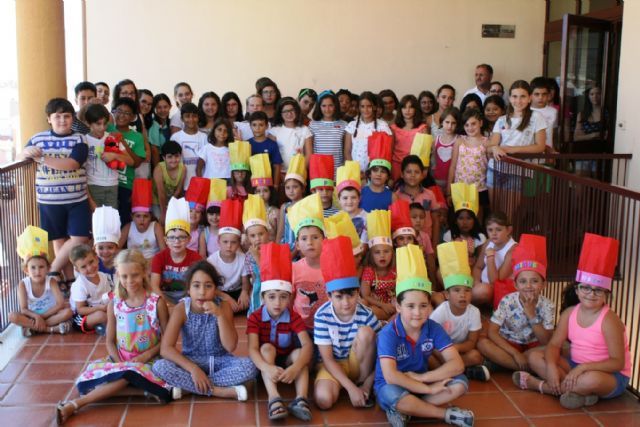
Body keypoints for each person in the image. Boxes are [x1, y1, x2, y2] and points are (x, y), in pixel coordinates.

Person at [513, 233, 632, 409]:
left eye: (598, 290)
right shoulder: (570, 313)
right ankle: (580, 393)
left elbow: (617, 363)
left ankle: (540, 386)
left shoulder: (609, 320)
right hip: (575, 365)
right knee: (534, 357)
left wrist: (583, 369)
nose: (591, 294)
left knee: (590, 380)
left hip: (609, 375)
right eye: (586, 288)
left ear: (606, 294)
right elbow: (554, 345)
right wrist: (552, 367)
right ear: (577, 290)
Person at [56, 249, 171, 424]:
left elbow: (167, 340)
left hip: (149, 361)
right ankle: (143, 390)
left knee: (128, 374)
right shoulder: (114, 304)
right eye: (124, 276)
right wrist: (119, 362)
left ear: (144, 272)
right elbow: (110, 341)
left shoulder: (156, 303)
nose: (129, 281)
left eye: (135, 275)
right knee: (89, 382)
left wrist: (146, 355)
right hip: (120, 359)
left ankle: (76, 404)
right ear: (118, 275)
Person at [375, 244, 473, 427]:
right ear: (398, 306)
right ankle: (444, 414)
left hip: (421, 380)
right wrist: (428, 389)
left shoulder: (433, 327)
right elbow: (391, 376)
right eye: (410, 306)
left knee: (460, 383)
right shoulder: (388, 333)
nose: (417, 313)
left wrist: (423, 379)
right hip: (393, 386)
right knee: (390, 394)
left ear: (430, 306)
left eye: (423, 306)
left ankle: (410, 409)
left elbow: (457, 364)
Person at [152, 260, 257, 400]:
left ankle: (189, 388)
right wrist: (194, 369)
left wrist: (219, 315)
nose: (202, 292)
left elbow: (230, 346)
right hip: (191, 361)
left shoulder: (224, 306)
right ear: (188, 289)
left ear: (215, 290)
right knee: (160, 366)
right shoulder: (181, 309)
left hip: (220, 361)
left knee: (251, 366)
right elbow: (166, 349)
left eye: (208, 286)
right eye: (196, 286)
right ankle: (220, 391)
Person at [18, 98, 90, 281]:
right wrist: (26, 153)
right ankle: (69, 280)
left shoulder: (79, 139)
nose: (62, 120)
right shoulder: (37, 139)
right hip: (49, 201)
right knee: (59, 239)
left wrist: (42, 159)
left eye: (67, 116)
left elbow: (72, 164)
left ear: (72, 118)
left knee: (81, 237)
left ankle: (53, 270)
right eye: (57, 116)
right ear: (49, 119)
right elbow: (22, 155)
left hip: (77, 199)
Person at [247, 243, 313, 421]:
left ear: (290, 298)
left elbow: (307, 344)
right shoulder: (255, 317)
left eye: (283, 297)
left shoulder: (293, 316)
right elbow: (253, 348)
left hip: (286, 360)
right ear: (263, 298)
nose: (277, 303)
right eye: (271, 297)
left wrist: (296, 367)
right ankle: (274, 398)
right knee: (266, 347)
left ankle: (301, 399)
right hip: (265, 363)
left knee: (300, 353)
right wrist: (266, 367)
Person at [314, 236, 381, 410]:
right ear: (329, 296)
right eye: (339, 297)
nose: (346, 303)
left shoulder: (366, 314)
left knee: (367, 332)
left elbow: (382, 354)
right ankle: (349, 387)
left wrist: (367, 384)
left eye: (351, 295)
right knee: (323, 399)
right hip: (332, 366)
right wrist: (350, 388)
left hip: (358, 366)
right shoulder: (322, 316)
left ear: (358, 292)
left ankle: (363, 385)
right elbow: (327, 359)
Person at [478, 234, 554, 371]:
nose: (528, 286)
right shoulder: (507, 301)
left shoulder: (548, 305)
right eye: (523, 281)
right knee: (482, 343)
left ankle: (506, 365)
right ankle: (528, 367)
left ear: (544, 285)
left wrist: (532, 315)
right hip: (509, 344)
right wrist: (515, 353)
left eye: (535, 281)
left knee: (554, 348)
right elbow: (492, 332)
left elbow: (546, 341)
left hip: (534, 347)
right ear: (515, 285)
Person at [432, 242, 489, 381]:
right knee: (428, 355)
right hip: (440, 350)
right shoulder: (441, 311)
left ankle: (447, 371)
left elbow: (471, 342)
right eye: (457, 290)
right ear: (447, 294)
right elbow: (429, 337)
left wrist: (455, 348)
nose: (462, 295)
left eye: (467, 291)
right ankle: (460, 370)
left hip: (459, 350)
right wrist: (446, 350)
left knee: (476, 356)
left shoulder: (474, 312)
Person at [10, 226, 73, 336]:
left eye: (41, 267)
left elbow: (60, 304)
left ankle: (34, 328)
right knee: (12, 316)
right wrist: (36, 316)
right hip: (32, 315)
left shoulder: (51, 281)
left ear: (48, 268)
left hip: (50, 314)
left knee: (68, 312)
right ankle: (51, 329)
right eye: (33, 268)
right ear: (26, 270)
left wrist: (41, 317)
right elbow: (24, 309)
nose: (37, 271)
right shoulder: (23, 284)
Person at [488, 80, 547, 189]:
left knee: (512, 201)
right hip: (495, 168)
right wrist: (494, 148)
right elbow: (490, 146)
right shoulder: (501, 119)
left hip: (519, 172)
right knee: (494, 201)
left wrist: (511, 149)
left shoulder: (537, 117)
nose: (518, 101)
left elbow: (540, 147)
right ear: (510, 98)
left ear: (529, 98)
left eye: (523, 96)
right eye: (515, 96)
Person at [150, 197, 202, 305]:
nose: (177, 242)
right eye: (172, 237)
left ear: (189, 239)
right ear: (166, 240)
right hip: (164, 298)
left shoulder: (196, 258)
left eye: (181, 237)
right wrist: (169, 304)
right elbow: (154, 286)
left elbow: (199, 285)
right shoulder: (159, 258)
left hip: (188, 299)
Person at [289, 193, 328, 331]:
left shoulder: (332, 267)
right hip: (301, 328)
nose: (310, 242)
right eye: (304, 239)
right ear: (297, 245)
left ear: (324, 240)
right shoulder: (294, 269)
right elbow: (289, 301)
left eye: (315, 237)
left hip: (328, 327)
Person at [84, 103, 133, 210]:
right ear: (88, 123)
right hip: (93, 185)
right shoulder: (84, 141)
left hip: (112, 185)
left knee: (111, 218)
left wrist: (114, 155)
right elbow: (81, 170)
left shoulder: (112, 138)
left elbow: (130, 161)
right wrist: (89, 198)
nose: (102, 127)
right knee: (96, 219)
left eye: (105, 123)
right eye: (98, 124)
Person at [206, 199, 248, 312]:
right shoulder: (211, 261)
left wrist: (244, 292)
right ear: (218, 241)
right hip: (219, 293)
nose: (229, 246)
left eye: (233, 242)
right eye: (225, 242)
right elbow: (210, 285)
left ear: (239, 243)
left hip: (237, 291)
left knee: (247, 306)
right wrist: (226, 298)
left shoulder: (243, 259)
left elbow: (245, 283)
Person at [448, 109, 490, 217]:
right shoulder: (459, 141)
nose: (470, 127)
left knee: (477, 218)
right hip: (460, 187)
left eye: (473, 124)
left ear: (480, 123)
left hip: (479, 188)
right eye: (466, 125)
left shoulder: (486, 142)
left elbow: (491, 166)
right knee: (460, 217)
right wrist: (448, 190)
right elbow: (453, 166)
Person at [112, 97, 145, 226]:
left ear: (132, 117)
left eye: (127, 113)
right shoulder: (106, 129)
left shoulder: (137, 137)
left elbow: (136, 163)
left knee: (123, 221)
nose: (122, 115)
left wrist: (123, 142)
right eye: (119, 111)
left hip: (125, 185)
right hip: (106, 183)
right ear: (114, 112)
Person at [472, 211, 516, 306]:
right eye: (490, 230)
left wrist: (490, 258)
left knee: (483, 290)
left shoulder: (513, 249)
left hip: (497, 291)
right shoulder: (488, 242)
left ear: (509, 230)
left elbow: (495, 282)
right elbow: (478, 267)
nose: (494, 233)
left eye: (498, 230)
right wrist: (476, 282)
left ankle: (457, 301)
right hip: (481, 285)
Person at [360, 210, 397, 321]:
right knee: (371, 311)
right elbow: (365, 295)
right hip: (377, 305)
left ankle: (388, 322)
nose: (382, 255)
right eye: (377, 252)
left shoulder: (396, 269)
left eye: (386, 251)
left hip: (394, 305)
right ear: (371, 255)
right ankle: (388, 322)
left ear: (392, 253)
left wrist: (396, 301)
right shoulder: (369, 271)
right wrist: (383, 305)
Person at [69, 244, 113, 334]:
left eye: (91, 262)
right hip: (81, 316)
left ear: (97, 259)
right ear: (77, 270)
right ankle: (106, 326)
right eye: (83, 267)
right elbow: (80, 310)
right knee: (101, 315)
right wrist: (99, 308)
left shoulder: (103, 276)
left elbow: (108, 296)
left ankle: (103, 325)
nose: (89, 268)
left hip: (101, 308)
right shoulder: (79, 285)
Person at [395, 156, 441, 242]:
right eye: (409, 172)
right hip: (405, 243)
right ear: (402, 174)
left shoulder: (429, 195)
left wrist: (434, 245)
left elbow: (436, 220)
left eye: (417, 172)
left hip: (426, 242)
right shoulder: (396, 196)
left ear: (422, 175)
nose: (413, 175)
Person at [345, 91, 393, 173]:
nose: (365, 110)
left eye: (369, 106)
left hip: (375, 174)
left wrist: (372, 172)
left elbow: (387, 153)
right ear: (359, 108)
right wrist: (355, 171)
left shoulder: (382, 126)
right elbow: (347, 151)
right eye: (362, 106)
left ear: (375, 107)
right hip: (355, 172)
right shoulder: (352, 125)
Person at [240, 195, 273, 313]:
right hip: (257, 290)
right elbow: (253, 278)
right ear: (248, 238)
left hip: (272, 289)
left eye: (261, 234)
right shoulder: (248, 256)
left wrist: (257, 256)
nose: (257, 239)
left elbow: (270, 274)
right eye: (253, 236)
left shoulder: (273, 250)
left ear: (268, 234)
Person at [119, 179, 165, 260]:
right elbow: (116, 248)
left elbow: (163, 251)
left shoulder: (156, 227)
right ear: (132, 217)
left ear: (150, 217)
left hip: (152, 261)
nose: (142, 219)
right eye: (138, 216)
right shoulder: (128, 227)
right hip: (133, 262)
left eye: (146, 216)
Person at [443, 184, 487, 268]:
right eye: (461, 218)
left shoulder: (480, 237)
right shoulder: (449, 235)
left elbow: (480, 261)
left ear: (474, 220)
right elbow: (446, 259)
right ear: (456, 221)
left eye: (469, 218)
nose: (465, 222)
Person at [269, 97, 313, 178]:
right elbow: (272, 156)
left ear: (297, 111)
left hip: (299, 173)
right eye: (285, 111)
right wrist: (278, 174)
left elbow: (309, 154)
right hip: (280, 174)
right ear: (280, 114)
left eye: (292, 110)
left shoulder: (304, 129)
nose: (289, 114)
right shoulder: (274, 131)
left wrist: (299, 172)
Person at [171, 102, 208, 191]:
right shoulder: (175, 137)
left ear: (198, 118)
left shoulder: (204, 137)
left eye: (194, 116)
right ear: (182, 118)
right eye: (187, 116)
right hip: (181, 185)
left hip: (200, 184)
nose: (191, 119)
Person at [391, 95, 428, 182]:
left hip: (415, 167)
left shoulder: (422, 128)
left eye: (411, 107)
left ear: (416, 109)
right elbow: (390, 150)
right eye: (404, 107)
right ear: (400, 109)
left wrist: (425, 169)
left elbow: (425, 153)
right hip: (397, 165)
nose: (407, 110)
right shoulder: (393, 128)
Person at [276, 154, 307, 256]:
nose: (291, 191)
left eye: (295, 187)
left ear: (303, 188)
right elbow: (280, 231)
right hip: (285, 248)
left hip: (300, 249)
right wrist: (277, 249)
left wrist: (294, 252)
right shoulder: (284, 207)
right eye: (288, 187)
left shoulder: (306, 206)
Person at [309, 90, 348, 173]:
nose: (327, 109)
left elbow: (346, 151)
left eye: (330, 105)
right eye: (324, 106)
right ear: (319, 107)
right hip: (318, 170)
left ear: (335, 106)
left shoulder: (344, 125)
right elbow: (310, 151)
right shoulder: (312, 125)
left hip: (338, 170)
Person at [360, 132, 397, 212]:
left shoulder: (392, 197)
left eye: (383, 171)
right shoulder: (360, 193)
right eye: (375, 170)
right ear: (369, 174)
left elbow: (396, 217)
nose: (379, 174)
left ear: (387, 176)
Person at [152, 140, 186, 224]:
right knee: (160, 220)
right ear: (164, 158)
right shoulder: (159, 169)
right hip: (157, 200)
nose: (174, 160)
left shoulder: (183, 168)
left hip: (172, 199)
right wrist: (163, 213)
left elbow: (178, 190)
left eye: (176, 156)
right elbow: (161, 193)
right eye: (170, 157)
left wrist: (170, 206)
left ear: (180, 156)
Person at [248, 111, 283, 188]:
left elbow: (277, 166)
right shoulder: (247, 144)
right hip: (250, 185)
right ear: (250, 126)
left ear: (267, 126)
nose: (257, 128)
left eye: (261, 125)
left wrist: (276, 185)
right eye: (254, 125)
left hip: (268, 186)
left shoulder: (272, 144)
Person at [249, 154, 280, 242]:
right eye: (258, 191)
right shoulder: (250, 211)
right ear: (254, 193)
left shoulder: (276, 212)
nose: (261, 194)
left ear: (271, 192)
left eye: (265, 191)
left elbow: (279, 233)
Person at [336, 161, 367, 243]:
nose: (349, 201)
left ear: (359, 198)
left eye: (353, 197)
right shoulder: (336, 218)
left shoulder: (367, 217)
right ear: (339, 199)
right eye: (345, 198)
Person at [433, 107, 460, 192]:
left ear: (457, 124)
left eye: (453, 123)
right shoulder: (436, 139)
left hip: (454, 181)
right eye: (447, 122)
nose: (450, 126)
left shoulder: (459, 140)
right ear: (442, 122)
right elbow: (433, 161)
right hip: (437, 180)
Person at [92, 206, 122, 281]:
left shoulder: (121, 264)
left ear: (117, 248)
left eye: (110, 247)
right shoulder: (92, 267)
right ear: (94, 248)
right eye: (100, 248)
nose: (105, 251)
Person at [530, 76, 558, 151]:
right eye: (537, 94)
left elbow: (553, 134)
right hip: (531, 150)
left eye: (544, 94)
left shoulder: (553, 112)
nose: (540, 97)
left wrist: (553, 150)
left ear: (549, 95)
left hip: (548, 152)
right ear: (531, 95)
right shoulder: (526, 111)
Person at [200, 178, 226, 257]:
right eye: (211, 214)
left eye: (218, 214)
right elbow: (202, 256)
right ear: (206, 215)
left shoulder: (226, 231)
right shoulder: (204, 234)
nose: (214, 217)